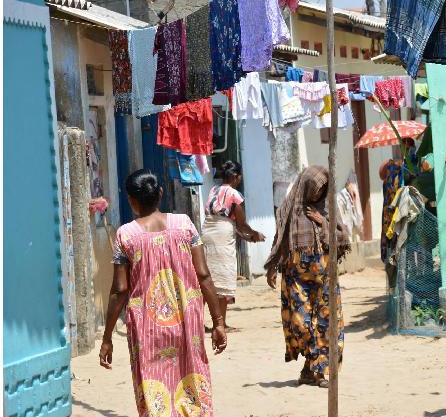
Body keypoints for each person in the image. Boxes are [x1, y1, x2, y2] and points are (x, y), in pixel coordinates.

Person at [99, 169, 227, 415]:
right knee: (192, 377)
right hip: (186, 321)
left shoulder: (126, 235)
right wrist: (218, 321)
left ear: (131, 200)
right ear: (160, 194)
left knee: (152, 384)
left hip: (146, 326)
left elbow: (120, 290)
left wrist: (107, 339)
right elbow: (203, 275)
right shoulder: (185, 225)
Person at [264, 166, 350, 388]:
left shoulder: (328, 206)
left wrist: (323, 221)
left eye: (322, 190)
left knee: (325, 323)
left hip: (325, 278)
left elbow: (342, 237)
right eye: (315, 189)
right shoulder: (289, 208)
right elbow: (280, 237)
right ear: (305, 186)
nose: (318, 194)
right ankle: (310, 370)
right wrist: (273, 266)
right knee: (301, 325)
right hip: (296, 278)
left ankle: (319, 373)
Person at [202, 160, 265, 332]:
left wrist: (245, 237)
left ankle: (200, 323)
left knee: (206, 277)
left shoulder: (213, 190)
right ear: (236, 177)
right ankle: (220, 324)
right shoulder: (235, 195)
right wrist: (254, 234)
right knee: (223, 277)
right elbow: (241, 224)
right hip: (223, 237)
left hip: (207, 232)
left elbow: (224, 223)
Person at [379, 137, 417, 290]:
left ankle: (404, 283)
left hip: (402, 214)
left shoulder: (410, 166)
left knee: (405, 247)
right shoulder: (392, 168)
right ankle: (395, 285)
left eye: (407, 147)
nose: (405, 150)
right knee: (394, 248)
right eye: (403, 147)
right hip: (392, 215)